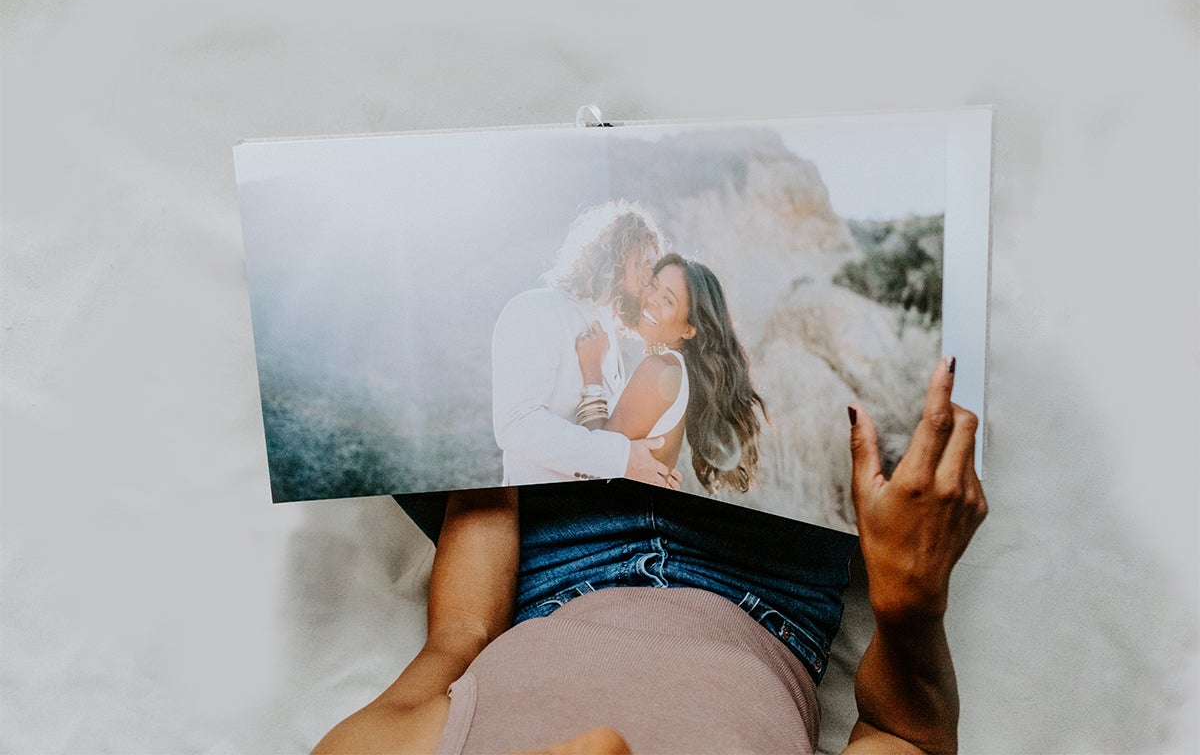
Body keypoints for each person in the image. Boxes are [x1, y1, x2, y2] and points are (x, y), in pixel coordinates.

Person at [315, 357, 987, 754]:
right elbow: (904, 740)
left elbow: (461, 633)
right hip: (764, 575)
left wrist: (485, 453)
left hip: (557, 558)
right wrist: (910, 604)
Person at [490, 200, 680, 489]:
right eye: (643, 263)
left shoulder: (607, 331)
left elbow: (604, 433)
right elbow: (517, 425)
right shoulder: (536, 308)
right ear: (611, 256)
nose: (649, 280)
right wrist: (623, 459)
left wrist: (652, 470)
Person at [573, 253, 766, 493]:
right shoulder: (674, 370)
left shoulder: (660, 370)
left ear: (688, 329)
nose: (652, 299)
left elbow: (595, 463)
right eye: (653, 286)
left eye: (668, 300)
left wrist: (592, 373)